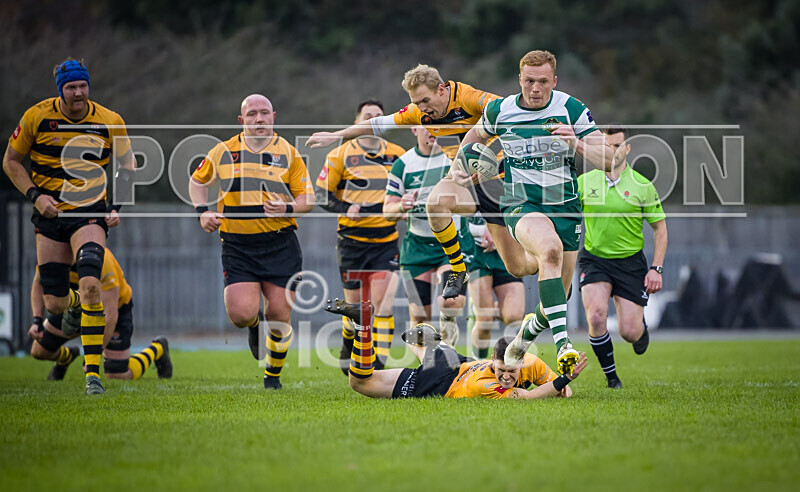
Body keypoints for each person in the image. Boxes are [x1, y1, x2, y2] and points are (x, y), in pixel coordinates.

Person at [306, 65, 526, 299]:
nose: (421, 108)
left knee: (520, 268)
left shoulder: (468, 98)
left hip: (500, 181)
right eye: (416, 102)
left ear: (441, 90)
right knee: (435, 204)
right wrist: (336, 135)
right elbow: (377, 125)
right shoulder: (419, 112)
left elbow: (510, 110)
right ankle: (458, 269)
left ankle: (548, 268)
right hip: (462, 179)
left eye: (425, 100)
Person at [457, 50, 615, 374]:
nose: (536, 88)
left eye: (543, 82)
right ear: (520, 79)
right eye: (529, 81)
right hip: (521, 202)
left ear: (554, 81)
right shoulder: (501, 110)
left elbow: (610, 160)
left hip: (565, 206)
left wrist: (578, 144)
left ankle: (527, 332)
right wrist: (461, 164)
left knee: (559, 293)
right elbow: (475, 136)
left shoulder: (571, 109)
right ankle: (564, 346)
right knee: (550, 250)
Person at [3, 58, 136, 394]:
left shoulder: (109, 120)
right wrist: (35, 196)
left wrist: (116, 205)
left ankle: (92, 376)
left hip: (89, 211)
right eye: (71, 87)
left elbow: (127, 164)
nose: (78, 93)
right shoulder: (36, 117)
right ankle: (75, 306)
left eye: (83, 86)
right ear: (60, 90)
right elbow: (11, 162)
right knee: (56, 305)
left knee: (91, 283)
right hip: (49, 214)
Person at [189, 94, 315, 390]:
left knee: (279, 314)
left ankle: (272, 377)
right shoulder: (223, 151)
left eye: (264, 113)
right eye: (252, 114)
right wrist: (202, 211)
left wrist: (286, 208)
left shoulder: (289, 153)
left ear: (274, 116)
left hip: (280, 244)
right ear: (241, 120)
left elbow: (307, 199)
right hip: (238, 245)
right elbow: (197, 181)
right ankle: (255, 327)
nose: (259, 119)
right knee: (241, 315)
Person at [324, 299, 587, 399]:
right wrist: (566, 379)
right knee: (360, 383)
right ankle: (369, 328)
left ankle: (426, 341)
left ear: (522, 362)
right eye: (502, 370)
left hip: (456, 361)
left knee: (425, 347)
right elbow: (530, 398)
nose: (507, 377)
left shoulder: (530, 362)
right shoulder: (486, 388)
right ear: (493, 361)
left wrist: (563, 385)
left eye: (512, 372)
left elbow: (561, 390)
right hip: (442, 382)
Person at [315, 100, 405, 373]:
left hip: (386, 241)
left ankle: (378, 366)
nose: (373, 121)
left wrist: (403, 205)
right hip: (351, 241)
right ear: (357, 123)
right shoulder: (340, 154)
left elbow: (407, 189)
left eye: (378, 117)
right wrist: (345, 207)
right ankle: (348, 340)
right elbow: (320, 195)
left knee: (383, 304)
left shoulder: (398, 154)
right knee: (356, 306)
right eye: (368, 116)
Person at [577, 125, 667, 388]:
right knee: (595, 316)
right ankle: (612, 378)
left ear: (627, 149)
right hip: (594, 259)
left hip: (630, 263)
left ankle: (640, 330)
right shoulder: (584, 182)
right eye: (607, 146)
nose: (612, 152)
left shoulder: (642, 185)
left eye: (617, 146)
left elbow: (660, 228)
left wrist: (656, 269)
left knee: (629, 331)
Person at [28, 248, 172, 381]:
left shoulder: (102, 260)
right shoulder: (52, 252)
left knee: (117, 374)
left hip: (113, 309)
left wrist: (93, 356)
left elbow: (110, 315)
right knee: (39, 351)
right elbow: (38, 284)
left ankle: (158, 348)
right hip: (73, 307)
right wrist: (37, 320)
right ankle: (67, 357)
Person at [383, 126, 468, 345]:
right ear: (414, 129)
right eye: (425, 127)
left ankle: (448, 349)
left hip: (449, 244)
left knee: (450, 302)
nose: (432, 131)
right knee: (419, 316)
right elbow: (387, 212)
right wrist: (401, 206)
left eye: (435, 126)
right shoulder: (403, 164)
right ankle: (426, 367)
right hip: (416, 246)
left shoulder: (455, 158)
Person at [463, 213, 525, 359]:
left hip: (506, 249)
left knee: (513, 317)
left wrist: (497, 230)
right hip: (476, 250)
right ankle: (478, 364)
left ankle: (481, 309)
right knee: (485, 321)